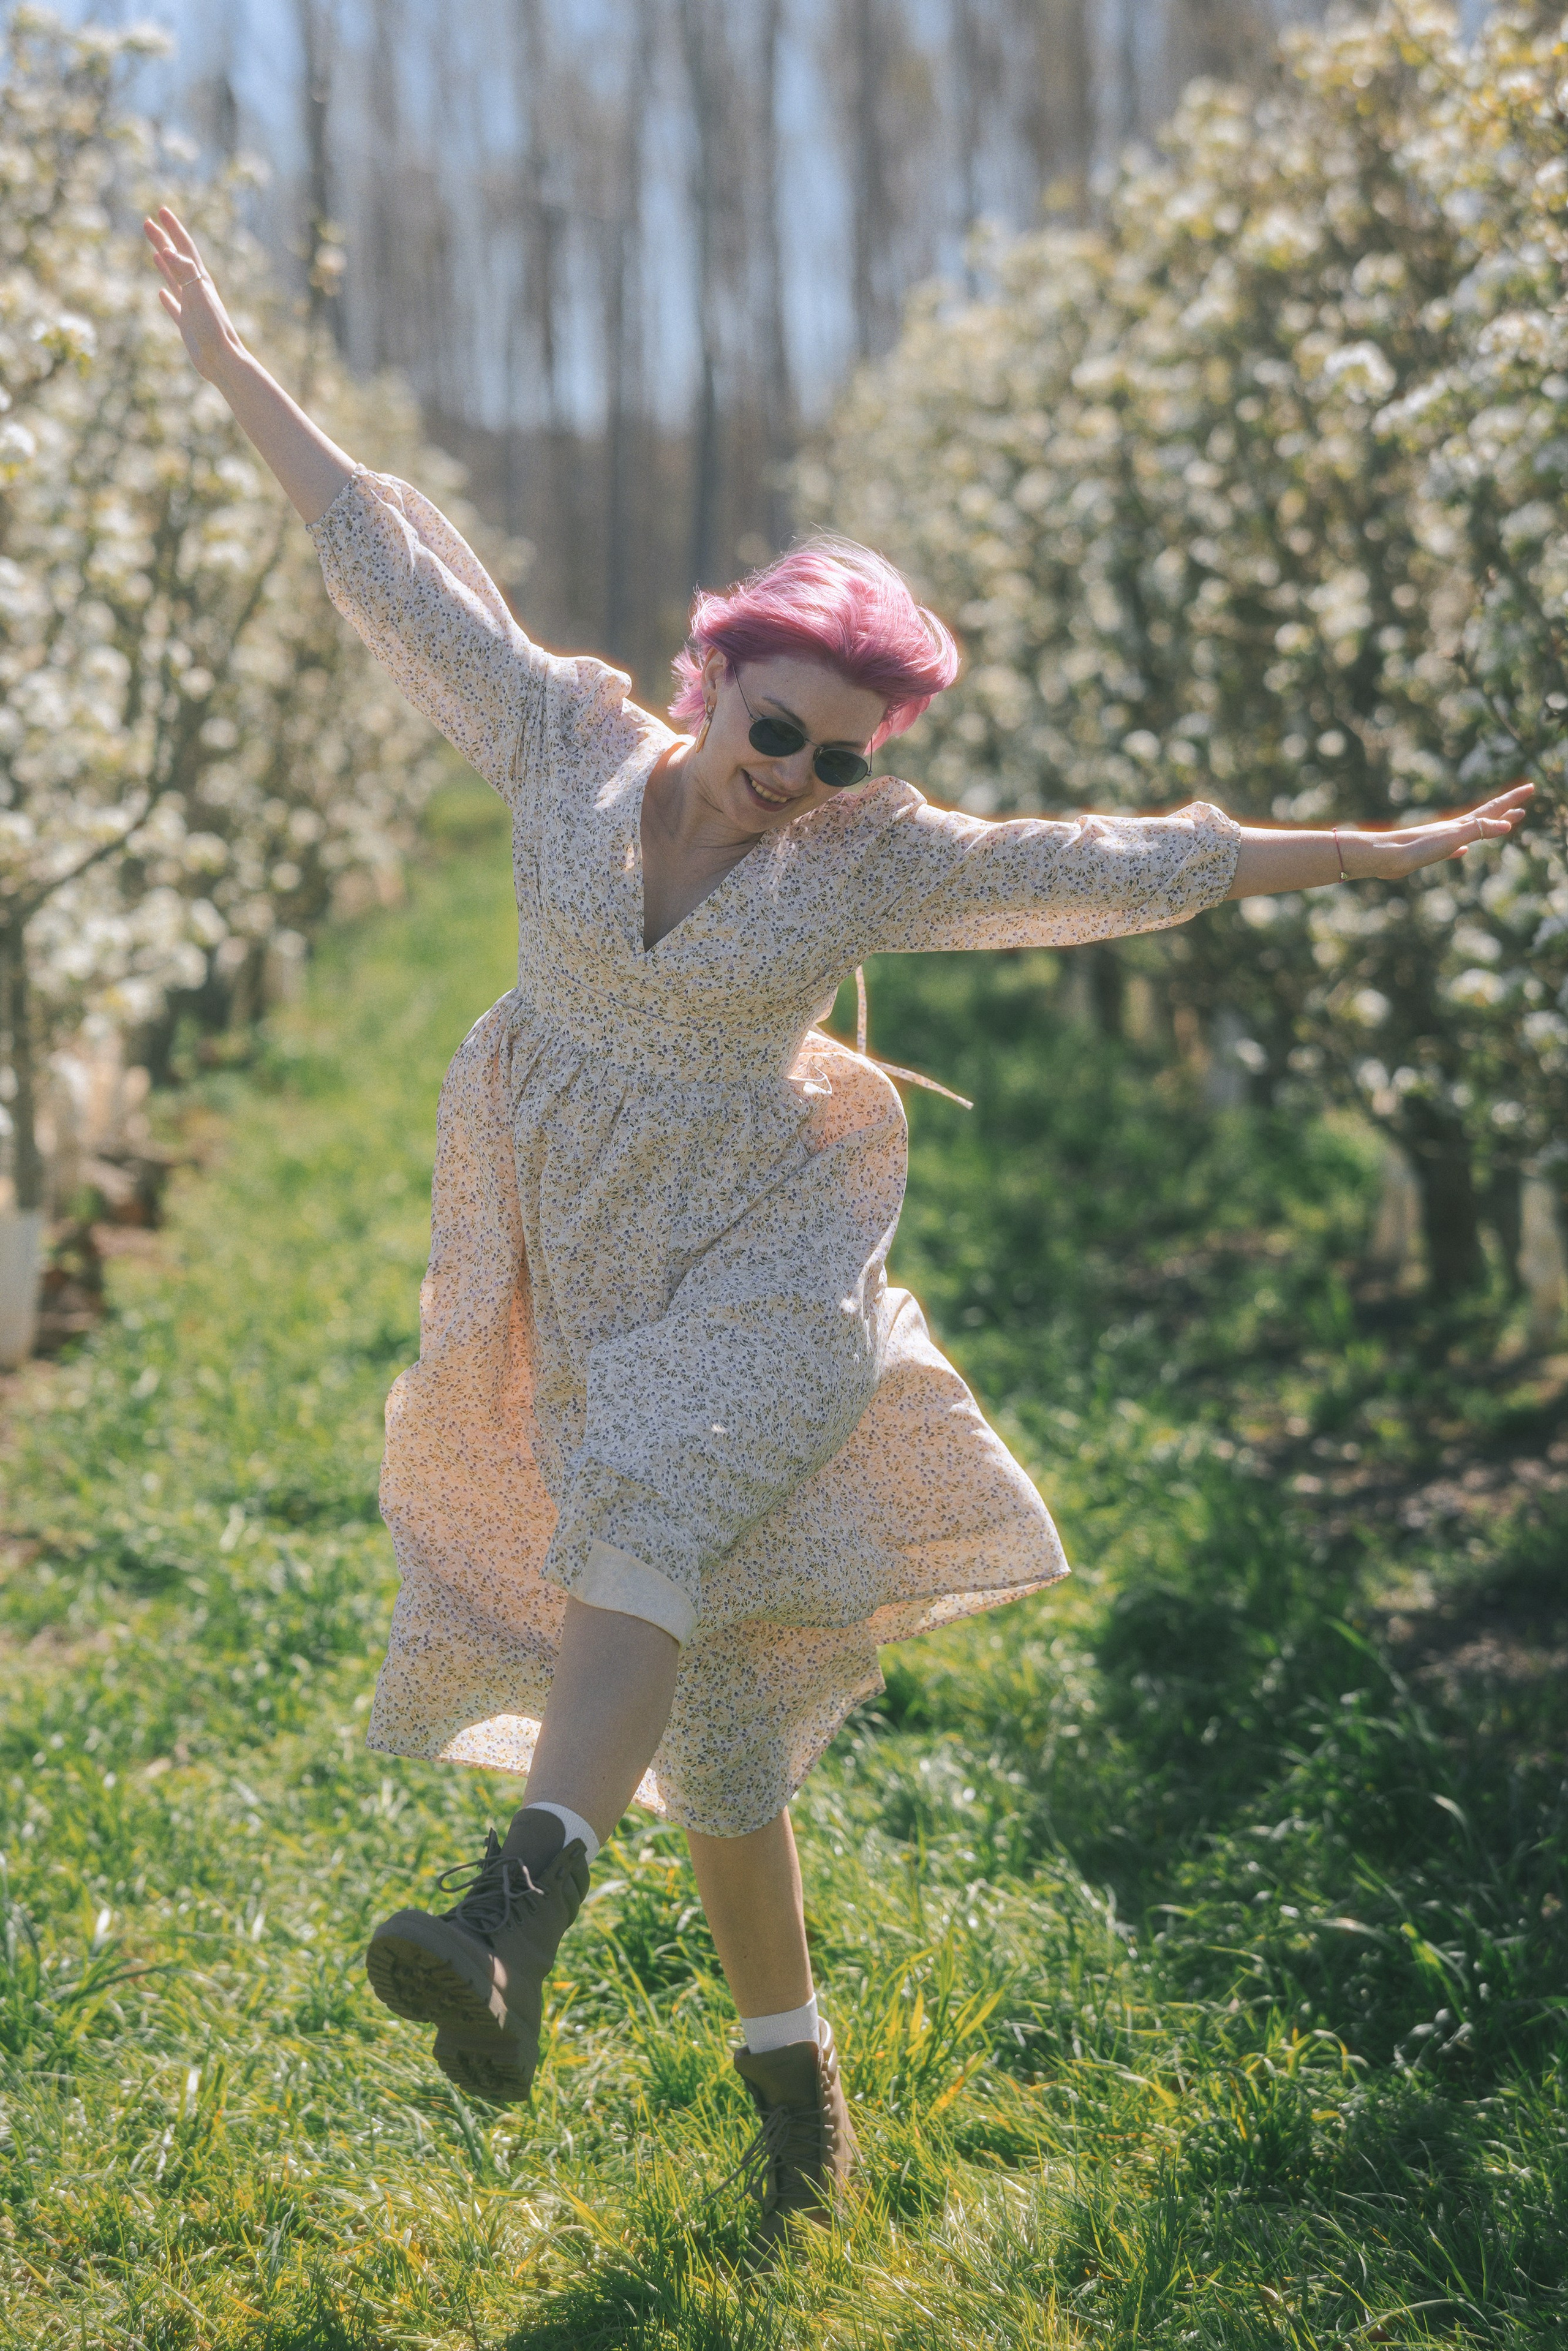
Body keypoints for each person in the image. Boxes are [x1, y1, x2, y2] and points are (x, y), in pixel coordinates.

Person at [145, 205, 1531, 2252]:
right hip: (580, 1251)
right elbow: (381, 561)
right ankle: (793, 2096)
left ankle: (516, 1891)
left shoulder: (876, 862)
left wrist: (1378, 847)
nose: (797, 776)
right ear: (710, 674)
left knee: (651, 1496)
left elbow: (1127, 862)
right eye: (774, 726)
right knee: (711, 1729)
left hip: (777, 1245)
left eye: (843, 754)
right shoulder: (558, 743)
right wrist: (231, 357)